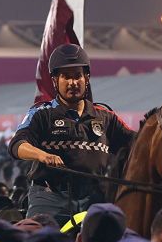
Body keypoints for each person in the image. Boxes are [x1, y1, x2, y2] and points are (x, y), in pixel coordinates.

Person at [8, 44, 135, 225]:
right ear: (55, 81)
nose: (73, 83)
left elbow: (137, 142)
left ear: (87, 78)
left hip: (95, 198)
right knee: (37, 241)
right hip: (49, 198)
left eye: (77, 76)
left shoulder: (106, 117)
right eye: (66, 77)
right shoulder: (42, 113)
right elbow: (17, 145)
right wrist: (43, 155)